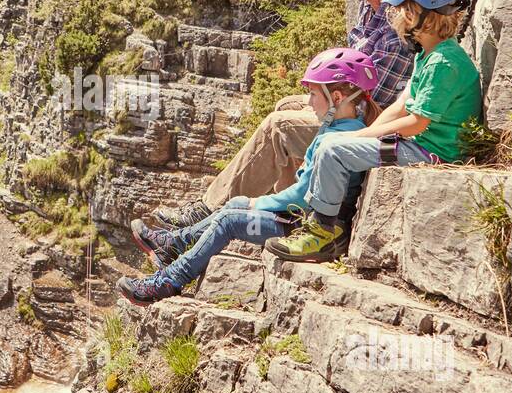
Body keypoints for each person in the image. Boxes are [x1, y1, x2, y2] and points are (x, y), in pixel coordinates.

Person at [151, 0, 415, 230]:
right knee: (285, 107)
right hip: (355, 103)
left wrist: (319, 98)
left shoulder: (395, 30)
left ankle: (207, 211)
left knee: (280, 126)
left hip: (373, 120)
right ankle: (290, 207)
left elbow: (365, 104)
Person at [117, 48, 380, 305]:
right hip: (302, 219)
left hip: (305, 228)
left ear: (336, 98)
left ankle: (170, 280)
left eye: (313, 94)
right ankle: (176, 243)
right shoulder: (342, 128)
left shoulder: (336, 139)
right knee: (233, 205)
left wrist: (259, 203)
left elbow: (302, 194)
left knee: (231, 220)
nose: (308, 102)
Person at [265, 0, 483, 262]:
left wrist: (360, 136)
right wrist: (365, 134)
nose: (392, 16)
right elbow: (400, 105)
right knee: (334, 142)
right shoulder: (429, 54)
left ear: (414, 12)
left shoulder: (443, 63)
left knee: (333, 150)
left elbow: (416, 123)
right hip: (423, 146)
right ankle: (337, 225)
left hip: (433, 153)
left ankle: (321, 234)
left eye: (397, 9)